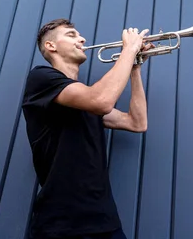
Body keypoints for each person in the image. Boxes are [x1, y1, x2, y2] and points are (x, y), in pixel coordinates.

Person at [22, 18, 153, 239]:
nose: (82, 38)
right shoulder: (41, 78)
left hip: (105, 221)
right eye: (71, 35)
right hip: (61, 225)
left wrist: (135, 68)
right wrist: (129, 49)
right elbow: (101, 100)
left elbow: (137, 123)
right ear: (51, 46)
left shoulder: (87, 99)